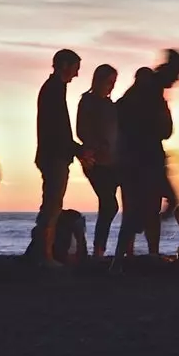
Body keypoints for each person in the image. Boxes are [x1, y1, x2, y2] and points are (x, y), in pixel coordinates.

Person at [111, 49, 179, 269]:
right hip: (142, 159)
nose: (178, 80)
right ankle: (121, 259)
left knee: (154, 206)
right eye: (177, 74)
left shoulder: (150, 90)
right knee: (150, 207)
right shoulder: (149, 89)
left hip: (141, 157)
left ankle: (130, 256)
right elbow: (162, 129)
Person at [34, 49, 91, 268]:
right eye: (75, 69)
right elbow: (58, 129)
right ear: (65, 65)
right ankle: (45, 257)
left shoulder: (55, 89)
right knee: (52, 206)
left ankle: (44, 254)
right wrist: (77, 150)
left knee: (51, 205)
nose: (76, 75)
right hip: (53, 156)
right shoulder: (53, 90)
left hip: (54, 154)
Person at [76, 64, 120, 259]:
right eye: (108, 82)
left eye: (113, 83)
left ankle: (102, 250)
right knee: (109, 204)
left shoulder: (111, 106)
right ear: (99, 81)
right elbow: (81, 130)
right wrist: (95, 146)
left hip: (113, 161)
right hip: (95, 161)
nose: (110, 87)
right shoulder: (88, 101)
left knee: (109, 204)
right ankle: (98, 250)